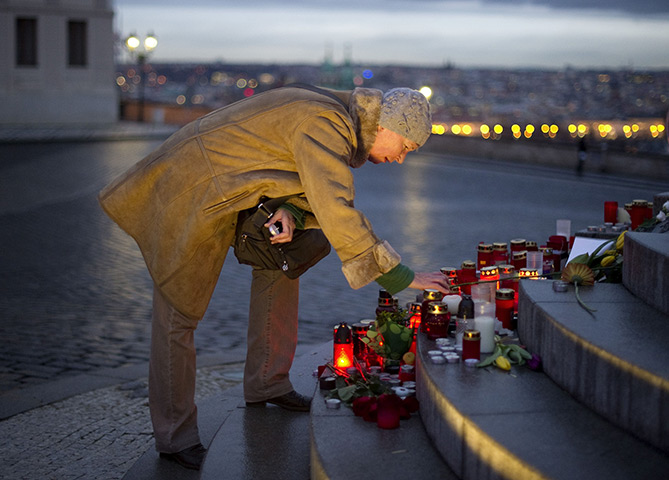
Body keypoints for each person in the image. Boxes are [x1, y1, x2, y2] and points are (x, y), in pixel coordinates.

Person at [98, 85, 450, 470]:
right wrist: (401, 276)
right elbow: (334, 204)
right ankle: (174, 436)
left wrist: (293, 214)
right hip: (194, 189)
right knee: (177, 315)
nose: (400, 158)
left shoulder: (339, 115)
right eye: (405, 147)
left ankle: (268, 380)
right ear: (387, 125)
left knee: (282, 261)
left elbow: (293, 169)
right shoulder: (327, 121)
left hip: (235, 191)